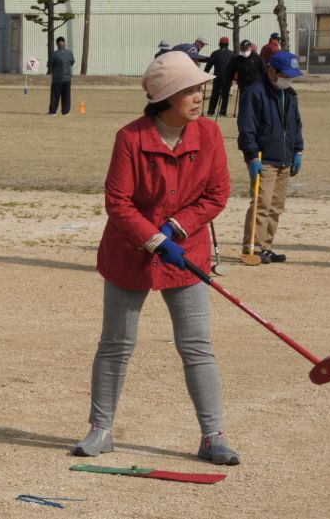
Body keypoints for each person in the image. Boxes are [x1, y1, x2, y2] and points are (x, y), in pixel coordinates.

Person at [74, 50, 239, 466]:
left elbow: (216, 195)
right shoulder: (131, 137)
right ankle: (101, 429)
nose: (200, 95)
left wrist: (178, 227)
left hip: (187, 254)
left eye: (200, 88)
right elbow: (118, 202)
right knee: (115, 345)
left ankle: (212, 434)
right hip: (130, 253)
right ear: (166, 96)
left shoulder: (211, 135)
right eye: (190, 89)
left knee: (197, 346)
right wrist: (153, 237)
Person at [237, 51, 304, 264]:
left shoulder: (290, 94)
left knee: (276, 206)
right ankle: (252, 248)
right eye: (284, 74)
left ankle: (266, 247)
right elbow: (246, 128)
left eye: (291, 75)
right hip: (262, 158)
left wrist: (298, 150)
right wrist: (251, 156)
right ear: (271, 70)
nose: (288, 79)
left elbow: (296, 125)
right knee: (261, 204)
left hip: (285, 158)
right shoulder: (254, 93)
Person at [204, 36, 235, 116]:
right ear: (228, 44)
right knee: (225, 95)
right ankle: (222, 112)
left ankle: (211, 111)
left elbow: (208, 66)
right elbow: (235, 67)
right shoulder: (232, 54)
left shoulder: (215, 53)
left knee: (215, 94)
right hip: (227, 78)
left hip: (217, 77)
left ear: (219, 44)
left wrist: (205, 75)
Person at [47, 36, 75, 116]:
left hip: (57, 79)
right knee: (66, 95)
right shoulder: (69, 53)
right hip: (67, 78)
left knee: (55, 95)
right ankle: (66, 111)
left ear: (57, 44)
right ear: (64, 43)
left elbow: (49, 65)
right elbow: (72, 62)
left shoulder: (54, 54)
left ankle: (53, 111)